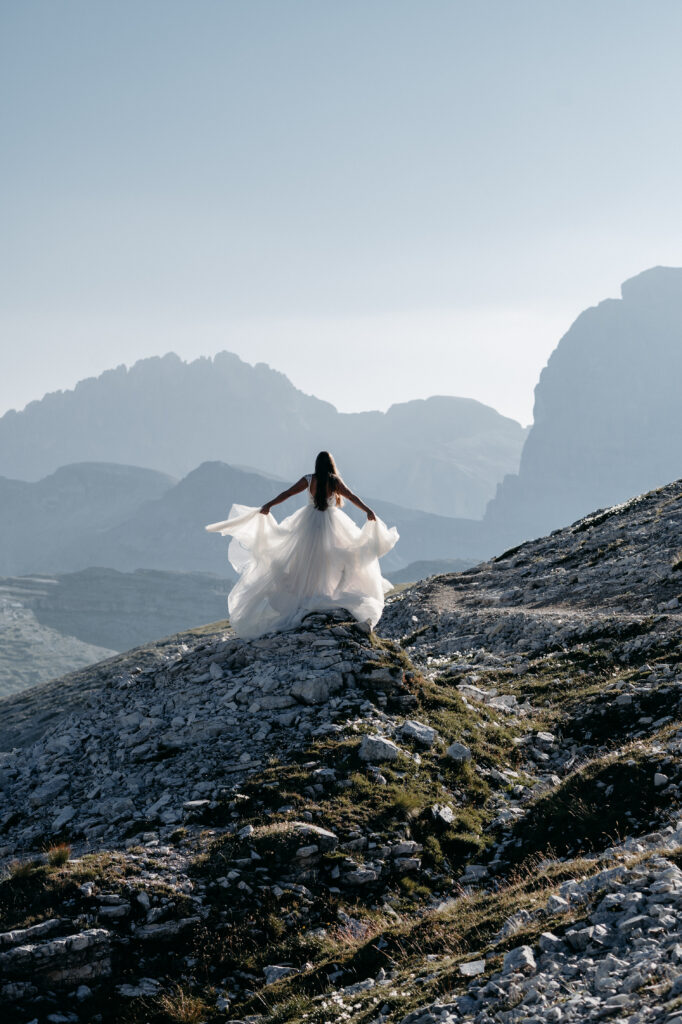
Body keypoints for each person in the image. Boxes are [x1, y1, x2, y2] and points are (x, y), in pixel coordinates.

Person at [205, 451, 399, 640]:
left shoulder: (308, 479)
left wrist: (269, 505)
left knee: (305, 560)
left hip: (309, 522)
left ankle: (308, 594)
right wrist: (368, 511)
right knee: (335, 559)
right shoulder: (334, 480)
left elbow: (287, 493)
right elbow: (352, 496)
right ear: (331, 464)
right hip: (332, 525)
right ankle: (327, 593)